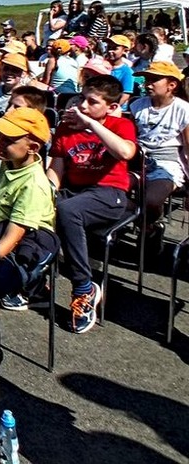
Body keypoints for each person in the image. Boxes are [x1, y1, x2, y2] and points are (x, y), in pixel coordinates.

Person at [48, 75, 137, 334]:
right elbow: (56, 170)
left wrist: (90, 124)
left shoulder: (121, 125)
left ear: (111, 107)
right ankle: (32, 281)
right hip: (75, 190)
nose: (83, 106)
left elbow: (125, 152)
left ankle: (83, 288)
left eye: (92, 102)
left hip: (110, 193)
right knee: (38, 207)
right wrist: (45, 194)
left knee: (68, 210)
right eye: (82, 99)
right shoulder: (66, 129)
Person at [0, 108, 58, 325]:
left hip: (30, 242)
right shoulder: (9, 161)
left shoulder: (33, 184)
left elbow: (12, 238)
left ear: (32, 148)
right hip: (3, 228)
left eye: (8, 140)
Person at [129, 61, 189, 255]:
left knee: (152, 200)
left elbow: (188, 146)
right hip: (137, 160)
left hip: (168, 162)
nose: (147, 84)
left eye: (154, 80)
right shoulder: (137, 105)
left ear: (171, 85)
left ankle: (151, 226)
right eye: (146, 80)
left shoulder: (183, 109)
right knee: (112, 191)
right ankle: (140, 222)